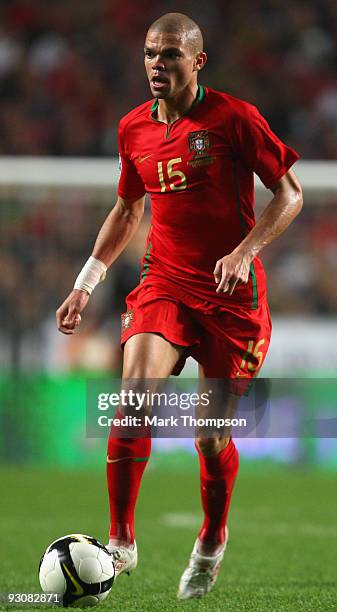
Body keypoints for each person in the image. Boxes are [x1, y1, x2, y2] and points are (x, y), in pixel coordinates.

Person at [56, 12, 303, 600]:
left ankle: (213, 536)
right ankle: (121, 541)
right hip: (164, 283)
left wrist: (245, 250)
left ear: (198, 61)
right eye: (149, 54)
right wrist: (86, 282)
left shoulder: (235, 119)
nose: (156, 65)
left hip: (230, 298)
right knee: (133, 395)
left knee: (208, 435)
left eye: (169, 55)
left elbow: (290, 194)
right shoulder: (132, 129)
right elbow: (126, 210)